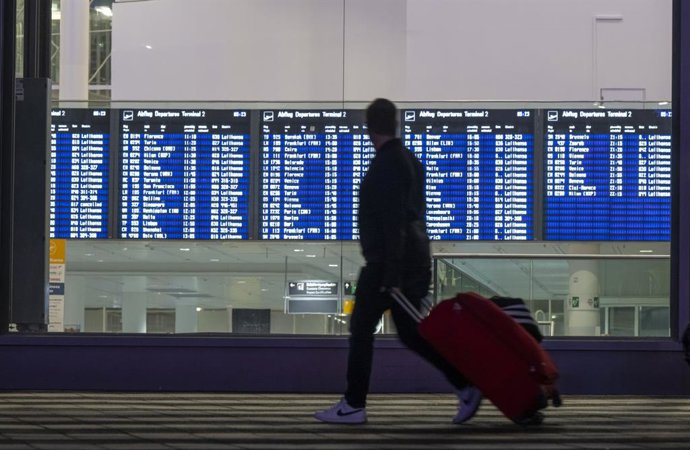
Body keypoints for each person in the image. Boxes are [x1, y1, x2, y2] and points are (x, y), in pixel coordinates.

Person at [314, 98, 481, 425]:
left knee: (362, 328)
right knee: (413, 333)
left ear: (369, 128)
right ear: (395, 124)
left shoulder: (386, 166)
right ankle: (465, 384)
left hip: (388, 265)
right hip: (410, 260)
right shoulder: (410, 161)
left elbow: (393, 222)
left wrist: (390, 275)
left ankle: (353, 404)